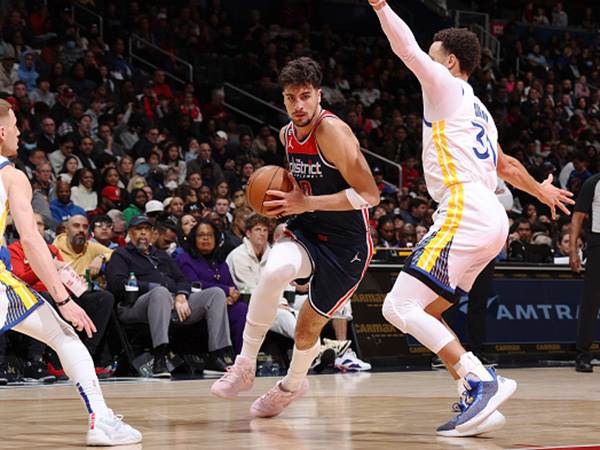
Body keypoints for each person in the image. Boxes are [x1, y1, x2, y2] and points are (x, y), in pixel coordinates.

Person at [370, 0, 573, 437]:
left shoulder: (443, 84)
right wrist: (541, 190)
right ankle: (473, 386)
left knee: (398, 304)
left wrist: (381, 6)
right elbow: (506, 166)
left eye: (434, 53)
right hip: (491, 216)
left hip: (464, 207)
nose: (428, 59)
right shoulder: (480, 110)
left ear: (450, 61)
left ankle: (482, 380)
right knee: (428, 309)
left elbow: (404, 49)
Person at [211, 57, 379, 418]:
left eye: (305, 96)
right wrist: (285, 202)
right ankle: (244, 364)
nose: (298, 105)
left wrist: (305, 201)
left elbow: (370, 195)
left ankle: (292, 385)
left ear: (319, 95)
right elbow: (300, 185)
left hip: (346, 246)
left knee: (306, 329)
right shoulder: (286, 134)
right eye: (290, 98)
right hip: (306, 229)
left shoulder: (332, 132)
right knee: (272, 272)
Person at [0, 99, 140, 444]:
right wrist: (63, 299)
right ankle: (101, 421)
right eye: (15, 125)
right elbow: (32, 241)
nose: (20, 132)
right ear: (1, 131)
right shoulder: (11, 175)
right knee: (64, 335)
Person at [106, 215, 233, 376]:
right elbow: (116, 284)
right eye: (139, 229)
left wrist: (181, 295)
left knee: (216, 293)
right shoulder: (121, 255)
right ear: (130, 233)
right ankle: (160, 358)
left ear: (153, 234)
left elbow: (182, 279)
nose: (143, 233)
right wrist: (153, 287)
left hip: (173, 303)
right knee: (160, 292)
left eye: (147, 229)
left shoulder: (162, 255)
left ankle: (216, 355)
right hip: (135, 305)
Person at [53, 215, 115, 375]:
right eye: (76, 226)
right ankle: (55, 361)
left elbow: (116, 253)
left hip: (83, 294)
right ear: (66, 230)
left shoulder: (91, 247)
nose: (81, 230)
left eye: (85, 227)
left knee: (106, 298)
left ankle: (87, 354)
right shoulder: (55, 247)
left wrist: (100, 257)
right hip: (61, 295)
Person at [175, 219, 248, 355]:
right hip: (197, 303)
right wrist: (225, 291)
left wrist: (232, 296)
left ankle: (242, 358)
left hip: (225, 303)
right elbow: (193, 283)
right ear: (193, 238)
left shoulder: (220, 261)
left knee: (242, 309)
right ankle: (219, 354)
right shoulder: (185, 259)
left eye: (210, 235)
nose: (205, 238)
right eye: (201, 235)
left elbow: (232, 287)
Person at [226, 214, 296, 340]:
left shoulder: (273, 254)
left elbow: (279, 283)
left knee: (308, 306)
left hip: (274, 302)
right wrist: (277, 303)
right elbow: (248, 288)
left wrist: (281, 302)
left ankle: (330, 347)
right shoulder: (238, 256)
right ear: (248, 233)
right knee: (283, 316)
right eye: (257, 230)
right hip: (248, 304)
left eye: (265, 230)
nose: (262, 234)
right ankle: (313, 349)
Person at [570, 173, 600, 373]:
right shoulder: (593, 183)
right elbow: (578, 216)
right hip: (598, 242)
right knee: (591, 301)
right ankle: (582, 353)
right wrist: (573, 250)